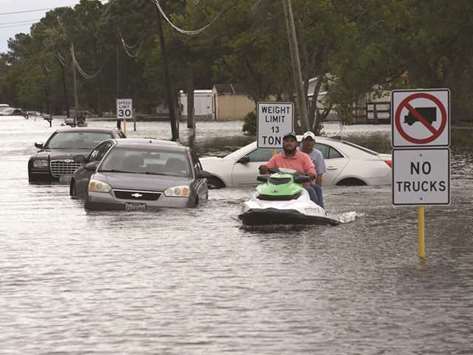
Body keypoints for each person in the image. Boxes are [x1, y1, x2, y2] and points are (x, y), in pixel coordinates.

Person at [259, 132, 320, 204]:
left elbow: (311, 170)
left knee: (310, 190)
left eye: (292, 141)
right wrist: (263, 168)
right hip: (279, 189)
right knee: (260, 190)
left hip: (300, 188)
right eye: (287, 141)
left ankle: (316, 212)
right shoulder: (276, 157)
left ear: (296, 144)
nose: (289, 143)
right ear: (283, 143)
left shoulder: (304, 157)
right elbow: (267, 167)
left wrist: (311, 174)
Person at [300, 131, 326, 208]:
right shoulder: (296, 152)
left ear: (314, 142)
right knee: (311, 190)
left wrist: (317, 186)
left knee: (317, 189)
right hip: (296, 182)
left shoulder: (318, 154)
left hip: (310, 182)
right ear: (302, 141)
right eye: (306, 140)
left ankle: (320, 210)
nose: (308, 142)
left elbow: (319, 175)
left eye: (311, 140)